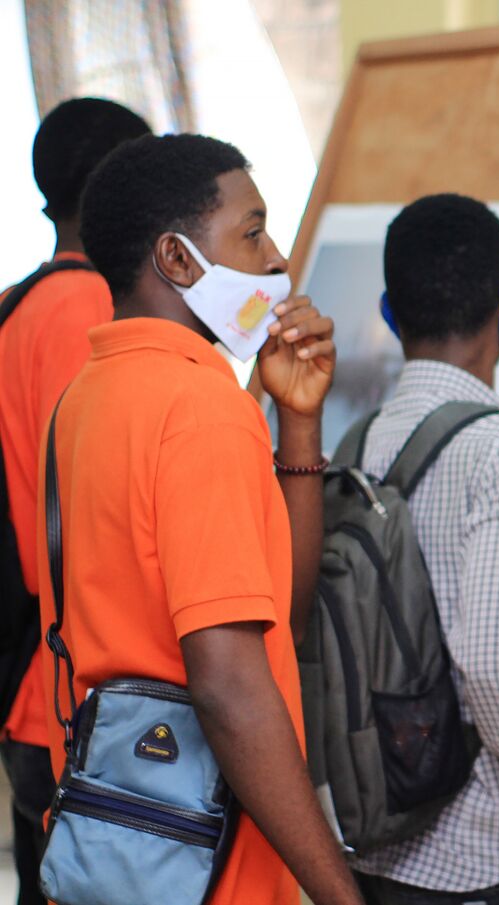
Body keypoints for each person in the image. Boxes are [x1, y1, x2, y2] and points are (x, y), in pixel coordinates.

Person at [39, 133, 361, 905]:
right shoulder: (201, 406)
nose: (276, 257)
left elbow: (271, 604)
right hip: (209, 863)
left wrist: (299, 423)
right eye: (251, 232)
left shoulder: (90, 393)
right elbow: (229, 683)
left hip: (122, 842)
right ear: (178, 260)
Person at [349, 194, 499, 904]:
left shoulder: (350, 445)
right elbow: (493, 655)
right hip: (486, 852)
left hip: (366, 835)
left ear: (390, 313)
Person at [0, 97, 150, 905]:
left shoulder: (17, 303)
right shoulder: (89, 310)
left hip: (36, 692)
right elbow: (96, 517)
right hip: (75, 704)